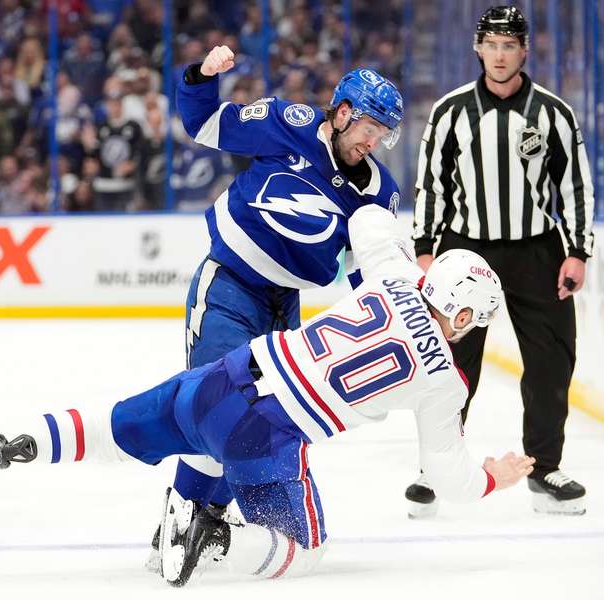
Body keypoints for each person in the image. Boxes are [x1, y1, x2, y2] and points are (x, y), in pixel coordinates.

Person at [0, 205, 535, 587]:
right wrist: (493, 476)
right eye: (472, 320)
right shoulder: (445, 380)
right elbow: (446, 476)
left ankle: (11, 444)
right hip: (265, 435)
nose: (469, 330)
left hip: (230, 373)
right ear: (458, 311)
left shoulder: (396, 273)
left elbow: (370, 223)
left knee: (110, 428)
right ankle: (212, 536)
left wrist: (407, 254)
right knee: (305, 552)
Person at [164, 44, 405, 556]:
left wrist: (402, 323)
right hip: (230, 282)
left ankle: (208, 516)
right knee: (214, 401)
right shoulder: (287, 123)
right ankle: (183, 517)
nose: (374, 141)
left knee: (260, 416)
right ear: (342, 113)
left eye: (382, 134)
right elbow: (203, 122)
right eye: (369, 128)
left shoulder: (380, 193)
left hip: (284, 305)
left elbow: (370, 274)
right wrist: (202, 75)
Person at [409, 5, 595, 517]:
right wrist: (425, 250)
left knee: (550, 363)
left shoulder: (553, 113)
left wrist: (576, 251)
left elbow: (575, 186)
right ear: (477, 48)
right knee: (450, 364)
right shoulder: (450, 112)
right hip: (467, 250)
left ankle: (545, 467)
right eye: (491, 44)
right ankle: (436, 467)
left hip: (539, 251)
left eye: (508, 45)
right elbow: (432, 185)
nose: (498, 54)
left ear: (524, 50)